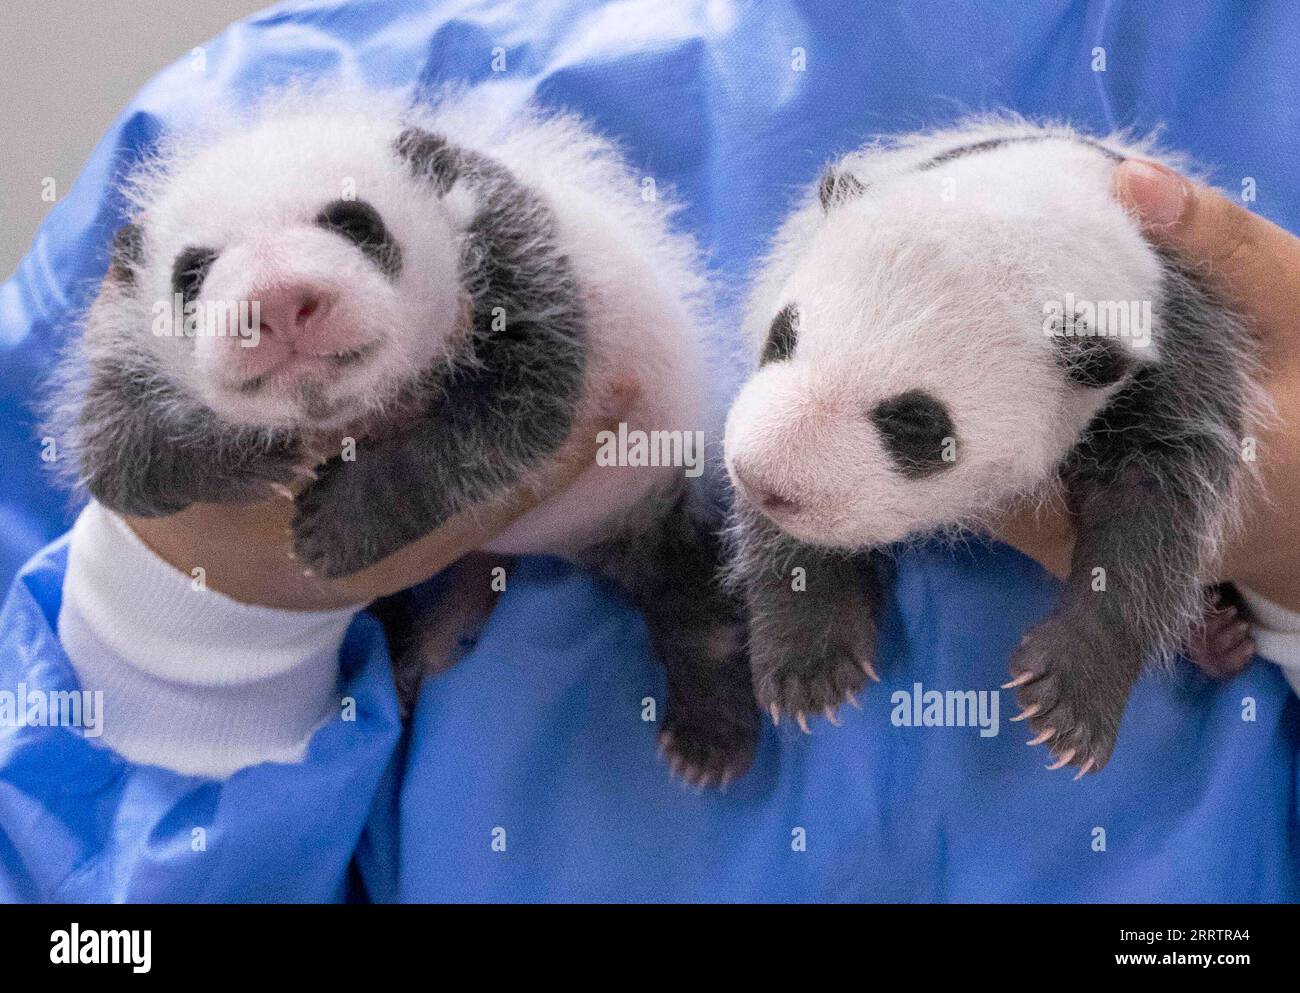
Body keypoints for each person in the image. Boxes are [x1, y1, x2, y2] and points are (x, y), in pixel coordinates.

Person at [1, 1, 1296, 903]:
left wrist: (1268, 565)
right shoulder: (227, 116)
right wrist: (197, 612)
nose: (761, 453)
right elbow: (74, 887)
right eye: (777, 344)